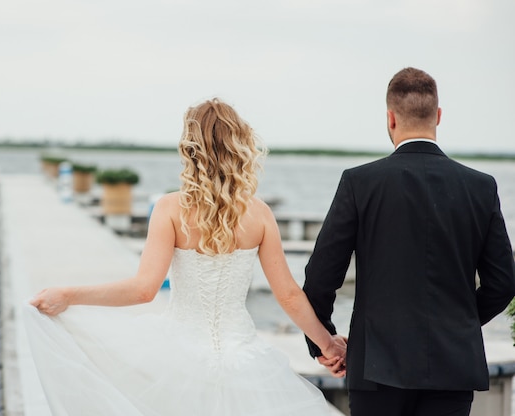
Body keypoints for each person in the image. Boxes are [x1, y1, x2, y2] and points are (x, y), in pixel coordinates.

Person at [25, 98, 347, 415]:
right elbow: (289, 295)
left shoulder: (169, 209)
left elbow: (143, 290)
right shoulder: (260, 215)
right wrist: (328, 344)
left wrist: (69, 295)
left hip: (177, 358)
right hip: (242, 359)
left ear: (189, 150)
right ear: (240, 146)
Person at [302, 67, 515, 416]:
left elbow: (321, 277)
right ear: (438, 116)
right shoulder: (481, 186)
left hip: (376, 368)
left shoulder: (360, 183)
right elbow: (504, 283)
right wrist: (455, 324)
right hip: (452, 366)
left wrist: (324, 343)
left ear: (390, 118)